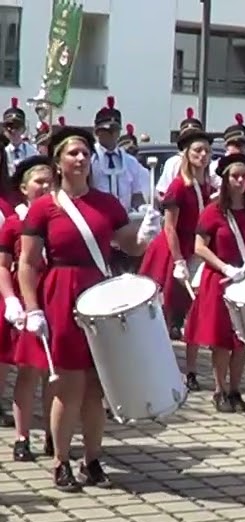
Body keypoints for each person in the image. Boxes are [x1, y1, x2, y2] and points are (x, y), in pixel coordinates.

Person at [18, 126, 146, 491]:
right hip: (61, 292)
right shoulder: (46, 207)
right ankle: (60, 461)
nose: (81, 158)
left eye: (85, 153)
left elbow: (129, 247)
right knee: (68, 384)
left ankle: (92, 459)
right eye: (73, 153)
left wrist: (144, 235)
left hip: (100, 293)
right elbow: (27, 262)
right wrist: (32, 308)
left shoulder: (107, 203)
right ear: (58, 161)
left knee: (96, 386)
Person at [138, 122, 215, 389]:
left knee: (195, 309)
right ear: (186, 154)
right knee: (165, 312)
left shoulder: (207, 185)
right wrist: (179, 260)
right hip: (173, 251)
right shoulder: (179, 186)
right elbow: (168, 226)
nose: (202, 156)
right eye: (197, 151)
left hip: (196, 251)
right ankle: (157, 367)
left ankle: (191, 370)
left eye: (206, 151)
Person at [184, 152, 245, 411]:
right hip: (219, 280)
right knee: (221, 340)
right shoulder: (213, 211)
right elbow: (199, 247)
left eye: (244, 176)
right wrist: (225, 267)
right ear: (226, 180)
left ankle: (236, 390)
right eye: (235, 177)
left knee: (241, 339)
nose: (240, 181)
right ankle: (219, 389)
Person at [0, 155, 55, 461]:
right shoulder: (13, 223)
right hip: (26, 304)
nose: (46, 187)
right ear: (23, 188)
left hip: (55, 300)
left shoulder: (61, 217)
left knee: (56, 373)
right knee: (28, 373)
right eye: (39, 182)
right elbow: (3, 266)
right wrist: (10, 300)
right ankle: (22, 437)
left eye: (50, 181)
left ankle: (53, 432)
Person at [89, 96, 147, 211]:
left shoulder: (130, 161)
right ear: (97, 131)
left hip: (124, 218)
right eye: (106, 131)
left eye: (115, 130)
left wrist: (143, 208)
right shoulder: (89, 158)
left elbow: (136, 194)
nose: (111, 134)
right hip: (98, 217)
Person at [154, 108, 206, 199]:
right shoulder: (174, 162)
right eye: (187, 137)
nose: (191, 140)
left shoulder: (207, 160)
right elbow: (164, 192)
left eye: (194, 136)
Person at [3, 99, 37, 174]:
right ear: (4, 130)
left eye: (17, 126)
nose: (13, 130)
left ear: (23, 129)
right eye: (10, 127)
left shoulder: (33, 152)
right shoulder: (3, 152)